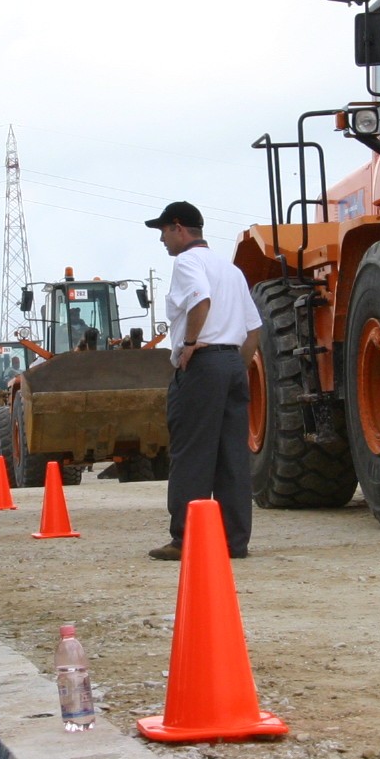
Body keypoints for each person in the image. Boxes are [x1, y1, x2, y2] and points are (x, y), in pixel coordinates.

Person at [147, 200, 262, 561]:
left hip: (204, 364)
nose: (162, 240)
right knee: (231, 456)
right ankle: (233, 541)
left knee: (192, 453)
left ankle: (188, 539)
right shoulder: (230, 269)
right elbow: (254, 328)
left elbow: (201, 300)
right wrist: (237, 366)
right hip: (230, 362)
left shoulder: (188, 262)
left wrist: (190, 345)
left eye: (164, 231)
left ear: (178, 227)